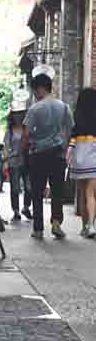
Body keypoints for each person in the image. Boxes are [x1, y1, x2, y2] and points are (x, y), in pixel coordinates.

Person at [22, 65, 74, 240]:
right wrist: (64, 146)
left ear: (40, 89)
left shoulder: (35, 109)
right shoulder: (64, 107)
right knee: (57, 191)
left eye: (35, 90)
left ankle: (38, 229)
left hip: (38, 155)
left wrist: (24, 150)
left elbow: (26, 134)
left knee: (37, 193)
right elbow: (70, 130)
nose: (35, 94)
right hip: (58, 155)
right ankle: (56, 223)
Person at [67, 88, 96, 238]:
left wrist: (69, 152)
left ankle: (85, 227)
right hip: (94, 155)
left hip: (79, 156)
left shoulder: (76, 116)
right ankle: (91, 225)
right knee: (91, 194)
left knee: (83, 195)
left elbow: (72, 137)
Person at [3, 92, 32, 222]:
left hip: (27, 161)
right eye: (16, 114)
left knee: (29, 187)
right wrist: (6, 161)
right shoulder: (9, 132)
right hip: (14, 162)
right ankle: (15, 210)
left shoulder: (28, 129)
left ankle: (26, 207)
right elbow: (6, 147)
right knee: (15, 188)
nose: (18, 116)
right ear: (12, 116)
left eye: (20, 114)